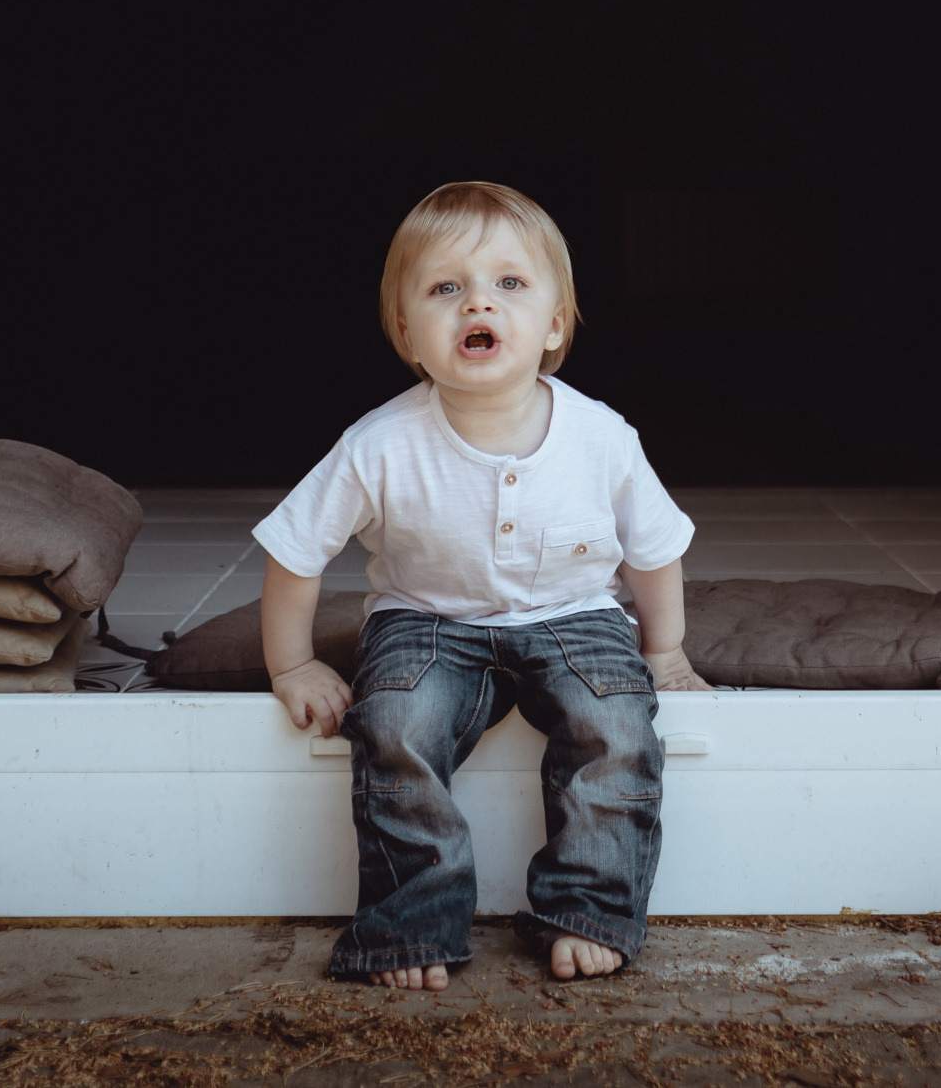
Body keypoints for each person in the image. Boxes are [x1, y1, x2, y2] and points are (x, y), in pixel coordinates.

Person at [252, 181, 709, 992]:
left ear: (555, 324)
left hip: (575, 613)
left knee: (615, 721)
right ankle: (412, 920)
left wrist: (665, 650)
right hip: (425, 619)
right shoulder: (378, 443)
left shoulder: (601, 436)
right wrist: (291, 665)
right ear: (407, 331)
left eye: (509, 283)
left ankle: (590, 907)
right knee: (393, 720)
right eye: (445, 288)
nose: (477, 304)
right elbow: (295, 550)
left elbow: (654, 548)